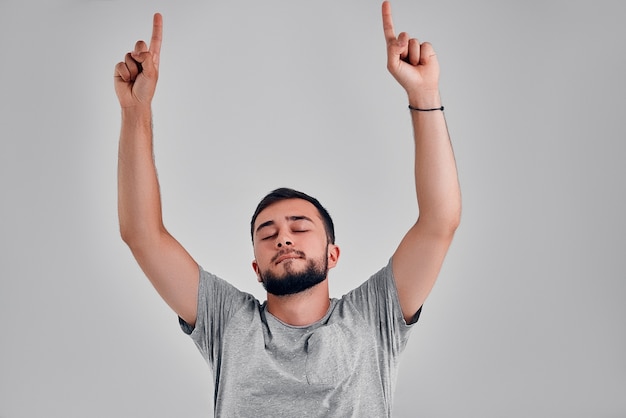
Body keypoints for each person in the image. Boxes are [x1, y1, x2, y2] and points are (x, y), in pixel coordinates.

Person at [114, 1, 461, 416]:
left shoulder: (373, 315)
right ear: (256, 267)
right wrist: (135, 112)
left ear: (333, 253)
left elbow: (439, 222)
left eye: (300, 226)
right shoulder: (228, 323)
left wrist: (425, 95)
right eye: (267, 232)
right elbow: (142, 235)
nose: (283, 236)